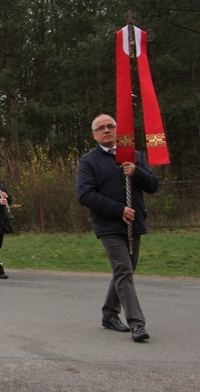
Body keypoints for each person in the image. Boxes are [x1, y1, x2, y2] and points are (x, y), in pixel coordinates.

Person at [76, 114, 159, 343]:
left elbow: (153, 186)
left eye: (110, 126)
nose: (106, 130)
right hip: (109, 225)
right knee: (124, 269)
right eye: (100, 128)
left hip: (134, 224)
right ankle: (137, 324)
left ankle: (109, 314)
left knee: (126, 269)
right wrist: (118, 210)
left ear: (117, 130)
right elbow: (85, 195)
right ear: (94, 135)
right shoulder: (88, 161)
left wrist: (136, 172)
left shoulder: (134, 156)